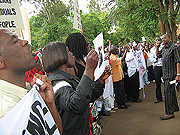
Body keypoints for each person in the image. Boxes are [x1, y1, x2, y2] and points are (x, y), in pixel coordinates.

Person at [0, 29, 62, 133]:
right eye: (14, 41)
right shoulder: (6, 111)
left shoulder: (33, 90)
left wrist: (49, 104)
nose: (25, 42)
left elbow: (55, 131)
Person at [42, 41, 111, 135]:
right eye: (68, 51)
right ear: (60, 55)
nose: (72, 53)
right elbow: (77, 104)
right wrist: (89, 69)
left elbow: (87, 97)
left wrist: (100, 81)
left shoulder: (67, 77)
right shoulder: (56, 82)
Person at [156, 34, 180, 120]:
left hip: (171, 74)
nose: (163, 40)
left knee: (167, 92)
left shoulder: (174, 47)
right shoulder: (164, 48)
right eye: (162, 39)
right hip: (165, 74)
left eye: (164, 38)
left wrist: (178, 74)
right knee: (171, 91)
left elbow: (178, 61)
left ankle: (169, 113)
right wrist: (157, 47)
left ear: (169, 38)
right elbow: (158, 55)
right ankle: (175, 107)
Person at [150, 37, 164, 103]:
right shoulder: (152, 49)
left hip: (164, 66)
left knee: (166, 82)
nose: (158, 41)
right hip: (157, 66)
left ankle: (168, 97)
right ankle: (158, 97)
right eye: (156, 40)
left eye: (159, 40)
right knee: (158, 83)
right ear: (155, 41)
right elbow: (151, 58)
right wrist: (156, 59)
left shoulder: (163, 48)